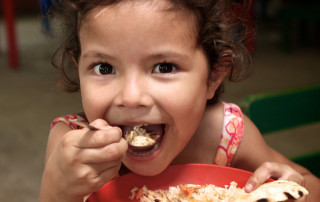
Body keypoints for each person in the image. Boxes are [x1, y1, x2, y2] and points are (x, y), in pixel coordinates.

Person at [40, 0, 320, 201]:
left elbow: (312, 187)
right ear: (78, 68)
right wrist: (57, 190)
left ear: (213, 76)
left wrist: (293, 189)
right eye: (104, 68)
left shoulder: (226, 132)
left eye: (164, 67)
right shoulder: (72, 142)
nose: (131, 97)